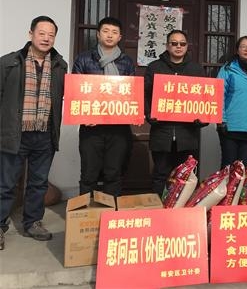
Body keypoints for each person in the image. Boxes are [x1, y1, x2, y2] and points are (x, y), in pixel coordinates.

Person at [0, 16, 67, 250]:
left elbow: (66, 97)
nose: (46, 38)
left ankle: (32, 223)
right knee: (6, 184)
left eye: (51, 35)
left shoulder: (60, 65)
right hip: (15, 133)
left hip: (45, 133)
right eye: (42, 33)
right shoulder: (8, 62)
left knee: (38, 183)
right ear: (31, 34)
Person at [72, 17, 135, 196]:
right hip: (91, 127)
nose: (110, 35)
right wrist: (84, 116)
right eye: (106, 31)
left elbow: (131, 93)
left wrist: (134, 113)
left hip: (118, 128)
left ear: (120, 37)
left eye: (114, 32)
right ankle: (86, 211)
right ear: (98, 34)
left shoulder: (126, 62)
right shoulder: (84, 59)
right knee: (88, 174)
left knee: (113, 173)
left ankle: (110, 211)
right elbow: (75, 91)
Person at [144, 30, 207, 196]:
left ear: (187, 46)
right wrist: (149, 115)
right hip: (161, 132)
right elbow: (145, 95)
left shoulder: (196, 69)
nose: (178, 46)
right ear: (167, 46)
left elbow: (206, 97)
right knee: (160, 174)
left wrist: (203, 119)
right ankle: (158, 207)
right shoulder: (154, 67)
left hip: (187, 134)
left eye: (182, 43)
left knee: (186, 176)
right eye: (174, 43)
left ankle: (182, 210)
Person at [217, 36, 247, 168]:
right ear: (237, 50)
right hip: (230, 126)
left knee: (242, 167)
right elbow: (219, 94)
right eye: (243, 47)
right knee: (228, 166)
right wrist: (221, 120)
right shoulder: (228, 69)